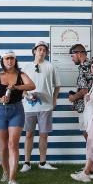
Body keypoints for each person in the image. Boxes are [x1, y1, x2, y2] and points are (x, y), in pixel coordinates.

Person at [0, 51, 36, 184]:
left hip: (16, 110)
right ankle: (5, 172)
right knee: (3, 146)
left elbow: (32, 86)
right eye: (7, 59)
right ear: (2, 60)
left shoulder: (21, 75)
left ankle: (12, 178)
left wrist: (16, 87)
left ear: (15, 60)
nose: (9, 61)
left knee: (13, 144)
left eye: (12, 58)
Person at [22, 41, 59, 172]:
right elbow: (22, 88)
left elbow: (57, 86)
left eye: (44, 50)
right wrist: (27, 96)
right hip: (28, 107)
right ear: (34, 51)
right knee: (28, 134)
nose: (42, 52)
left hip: (46, 107)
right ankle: (26, 162)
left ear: (47, 53)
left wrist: (54, 101)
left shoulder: (51, 67)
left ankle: (42, 162)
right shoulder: (25, 67)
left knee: (44, 135)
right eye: (39, 49)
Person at [67, 44, 93, 138]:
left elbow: (85, 90)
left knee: (88, 135)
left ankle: (92, 153)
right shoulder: (91, 65)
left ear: (79, 53)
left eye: (72, 56)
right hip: (90, 107)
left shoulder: (84, 67)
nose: (72, 59)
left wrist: (73, 97)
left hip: (87, 108)